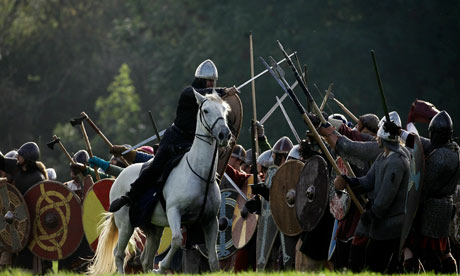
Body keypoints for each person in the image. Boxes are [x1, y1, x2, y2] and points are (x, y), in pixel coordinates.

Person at [333, 119, 410, 273]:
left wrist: (372, 213)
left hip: (391, 225)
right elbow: (368, 181)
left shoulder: (397, 161)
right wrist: (350, 182)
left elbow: (386, 196)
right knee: (363, 260)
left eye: (378, 137)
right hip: (379, 222)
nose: (376, 139)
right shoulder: (383, 156)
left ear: (382, 137)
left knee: (379, 267)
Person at [403, 111, 459, 273]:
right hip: (444, 207)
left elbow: (424, 187)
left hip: (429, 208)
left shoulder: (440, 158)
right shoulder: (453, 150)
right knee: (443, 252)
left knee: (411, 247)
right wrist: (399, 133)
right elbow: (422, 143)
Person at [0, 142, 48, 273]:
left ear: (27, 158)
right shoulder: (16, 169)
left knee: (28, 259)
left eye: (20, 155)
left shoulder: (38, 178)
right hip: (15, 221)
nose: (17, 157)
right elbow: (1, 161)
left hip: (33, 224)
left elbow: (40, 205)